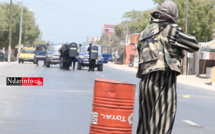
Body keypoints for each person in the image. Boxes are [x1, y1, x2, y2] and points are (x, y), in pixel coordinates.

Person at [136, 1, 200, 134]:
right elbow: (194, 45)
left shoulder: (145, 31)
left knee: (145, 123)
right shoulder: (170, 29)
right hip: (163, 79)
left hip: (145, 82)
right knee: (162, 121)